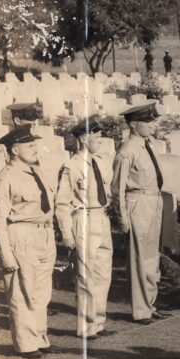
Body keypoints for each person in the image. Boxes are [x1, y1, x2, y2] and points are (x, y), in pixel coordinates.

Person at [0, 124, 57, 357]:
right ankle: (26, 343)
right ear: (15, 150)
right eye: (30, 146)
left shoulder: (36, 171)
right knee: (22, 290)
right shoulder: (6, 177)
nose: (35, 149)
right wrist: (5, 254)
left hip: (43, 234)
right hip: (21, 235)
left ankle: (39, 337)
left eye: (35, 145)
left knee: (41, 292)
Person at [55, 117, 114, 339]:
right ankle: (86, 326)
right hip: (84, 217)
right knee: (85, 275)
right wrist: (66, 233)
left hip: (102, 217)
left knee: (103, 274)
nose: (99, 139)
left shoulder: (101, 162)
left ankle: (98, 321)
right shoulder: (71, 166)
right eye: (95, 136)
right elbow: (62, 202)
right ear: (83, 138)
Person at [112, 102, 168, 324]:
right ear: (134, 124)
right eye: (147, 121)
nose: (152, 125)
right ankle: (141, 310)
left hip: (153, 201)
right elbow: (117, 187)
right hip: (138, 202)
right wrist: (122, 217)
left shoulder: (148, 146)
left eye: (153, 121)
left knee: (152, 257)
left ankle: (150, 305)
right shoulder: (127, 150)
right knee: (140, 259)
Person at [0, 103, 40, 185]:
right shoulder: (3, 148)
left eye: (34, 124)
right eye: (30, 125)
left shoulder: (34, 142)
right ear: (17, 121)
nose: (33, 128)